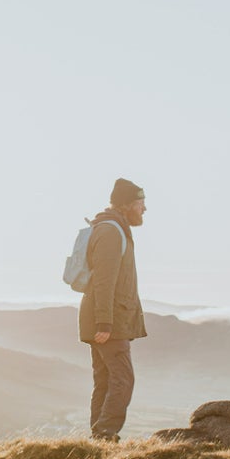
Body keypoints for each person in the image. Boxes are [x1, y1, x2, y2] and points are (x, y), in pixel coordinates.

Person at [79, 178, 147, 442]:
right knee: (123, 379)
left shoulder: (115, 228)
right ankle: (105, 434)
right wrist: (104, 323)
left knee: (106, 380)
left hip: (108, 319)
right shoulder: (110, 231)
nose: (144, 209)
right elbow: (104, 281)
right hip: (108, 322)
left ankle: (99, 438)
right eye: (141, 203)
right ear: (127, 204)